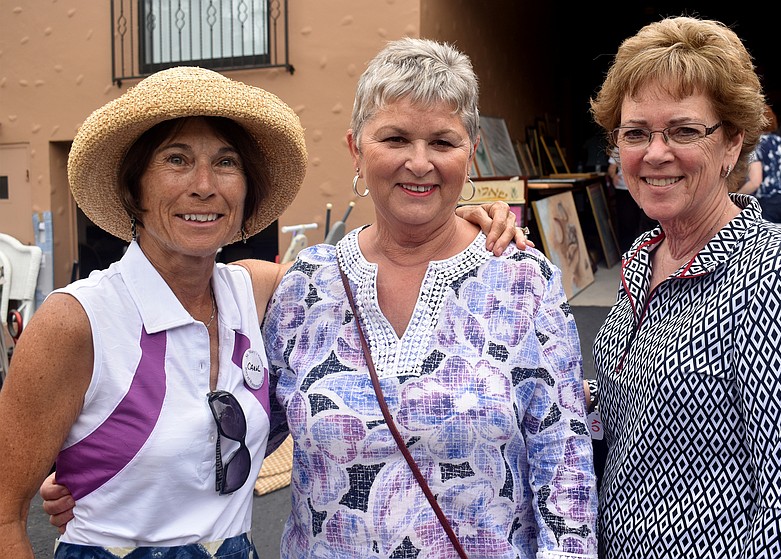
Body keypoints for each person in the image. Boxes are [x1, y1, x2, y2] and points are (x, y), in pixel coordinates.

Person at [0, 66, 525, 558]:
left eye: (226, 162)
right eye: (176, 159)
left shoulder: (256, 290)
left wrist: (463, 219)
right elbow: (5, 516)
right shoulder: (78, 320)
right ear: (133, 186)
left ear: (246, 189)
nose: (204, 185)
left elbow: (379, 258)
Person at [260, 37, 597, 557]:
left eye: (442, 142)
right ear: (355, 149)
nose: (419, 163)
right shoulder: (306, 287)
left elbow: (564, 465)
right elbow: (240, 436)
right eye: (394, 139)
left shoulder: (523, 281)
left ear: (472, 151)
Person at [587, 16, 781, 559]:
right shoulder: (644, 258)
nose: (655, 153)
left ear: (732, 143)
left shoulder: (778, 275)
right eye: (635, 133)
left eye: (684, 131)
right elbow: (635, 409)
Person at [737, 105, 781, 223]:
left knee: (763, 239)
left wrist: (735, 197)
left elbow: (755, 182)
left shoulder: (756, 144)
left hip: (768, 202)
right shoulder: (780, 141)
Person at [607, 148, 656, 251]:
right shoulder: (618, 146)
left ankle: (644, 249)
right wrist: (613, 177)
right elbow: (611, 168)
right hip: (624, 188)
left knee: (646, 218)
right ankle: (627, 252)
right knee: (626, 220)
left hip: (644, 187)